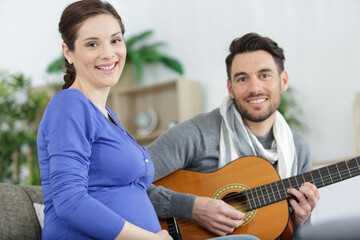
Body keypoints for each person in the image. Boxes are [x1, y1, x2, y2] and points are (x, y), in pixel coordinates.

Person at [147, 32, 320, 239]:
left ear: (283, 81)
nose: (254, 88)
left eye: (264, 75)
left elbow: (291, 234)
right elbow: (123, 184)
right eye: (242, 78)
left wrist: (300, 221)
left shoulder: (297, 150)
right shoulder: (196, 134)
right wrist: (192, 207)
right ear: (230, 88)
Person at [37, 0, 171, 239]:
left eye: (115, 40)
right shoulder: (69, 104)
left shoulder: (108, 115)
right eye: (92, 44)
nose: (108, 53)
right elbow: (69, 200)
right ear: (68, 52)